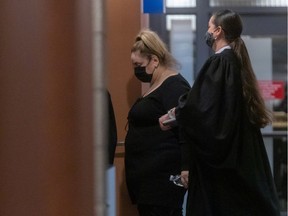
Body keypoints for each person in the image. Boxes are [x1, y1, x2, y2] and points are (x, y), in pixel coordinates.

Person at [159, 9, 280, 216]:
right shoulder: (235, 62)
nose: (207, 31)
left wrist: (177, 114)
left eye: (209, 27)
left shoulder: (220, 62)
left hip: (220, 170)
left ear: (218, 31)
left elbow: (204, 106)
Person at [124, 29, 191, 216]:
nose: (136, 70)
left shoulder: (174, 86)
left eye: (138, 64)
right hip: (149, 179)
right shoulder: (156, 84)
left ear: (154, 60)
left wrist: (186, 167)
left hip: (162, 179)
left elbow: (186, 127)